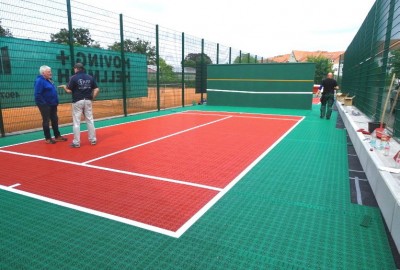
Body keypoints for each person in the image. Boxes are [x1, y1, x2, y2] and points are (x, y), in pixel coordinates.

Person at [60, 63, 99, 148]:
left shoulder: (73, 77)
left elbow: (69, 91)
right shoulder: (90, 77)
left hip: (78, 101)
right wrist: (92, 97)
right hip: (88, 100)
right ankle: (93, 140)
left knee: (76, 122)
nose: (74, 70)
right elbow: (96, 89)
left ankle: (76, 142)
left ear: (77, 69)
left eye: (74, 68)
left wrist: (64, 87)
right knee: (90, 120)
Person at [34, 65, 68, 144]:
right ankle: (48, 138)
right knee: (46, 121)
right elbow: (37, 94)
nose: (50, 73)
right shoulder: (40, 81)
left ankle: (57, 136)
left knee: (55, 119)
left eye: (50, 71)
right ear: (43, 73)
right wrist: (44, 104)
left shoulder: (49, 80)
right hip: (45, 105)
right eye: (49, 72)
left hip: (53, 104)